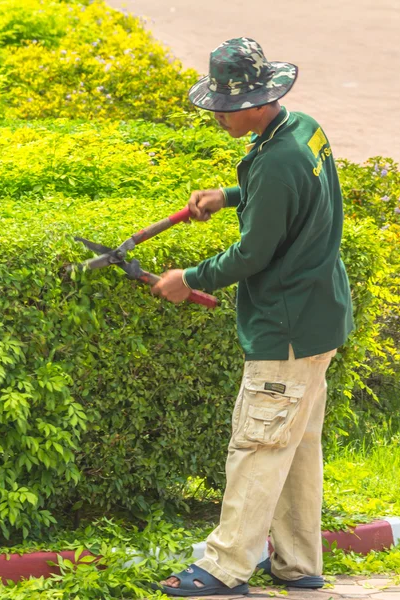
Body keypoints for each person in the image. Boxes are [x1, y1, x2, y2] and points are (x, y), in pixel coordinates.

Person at [151, 37, 354, 597]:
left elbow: (251, 255)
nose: (216, 113)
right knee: (295, 445)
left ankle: (223, 569)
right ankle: (297, 562)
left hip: (285, 328)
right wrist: (232, 194)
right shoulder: (302, 130)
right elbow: (288, 191)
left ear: (259, 101)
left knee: (259, 446)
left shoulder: (279, 157)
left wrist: (185, 280)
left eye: (225, 104)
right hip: (320, 317)